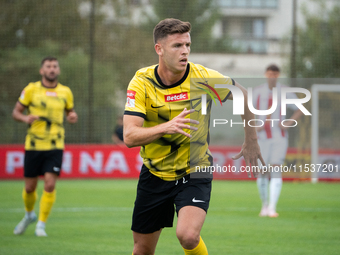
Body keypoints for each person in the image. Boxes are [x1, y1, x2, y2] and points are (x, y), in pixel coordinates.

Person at [123, 18, 265, 255]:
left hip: (194, 170)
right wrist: (166, 127)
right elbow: (129, 135)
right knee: (142, 250)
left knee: (188, 236)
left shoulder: (203, 78)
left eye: (187, 45)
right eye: (177, 46)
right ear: (159, 49)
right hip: (155, 173)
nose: (185, 51)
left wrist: (251, 140)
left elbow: (242, 94)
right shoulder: (142, 82)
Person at [12, 56, 78, 236]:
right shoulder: (31, 89)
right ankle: (28, 215)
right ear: (42, 70)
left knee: (49, 185)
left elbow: (71, 113)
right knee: (29, 188)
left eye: (55, 66)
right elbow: (16, 112)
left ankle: (41, 224)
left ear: (58, 70)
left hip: (55, 144)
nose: (52, 69)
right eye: (48, 66)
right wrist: (26, 118)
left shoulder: (65, 92)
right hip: (33, 144)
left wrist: (72, 117)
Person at [253, 64, 302, 217]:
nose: (272, 76)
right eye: (270, 73)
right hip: (261, 138)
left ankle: (273, 208)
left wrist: (288, 123)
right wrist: (255, 125)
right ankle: (265, 205)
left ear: (278, 75)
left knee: (275, 169)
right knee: (262, 171)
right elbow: (246, 109)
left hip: (279, 137)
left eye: (275, 74)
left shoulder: (285, 91)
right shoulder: (258, 91)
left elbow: (300, 108)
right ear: (265, 74)